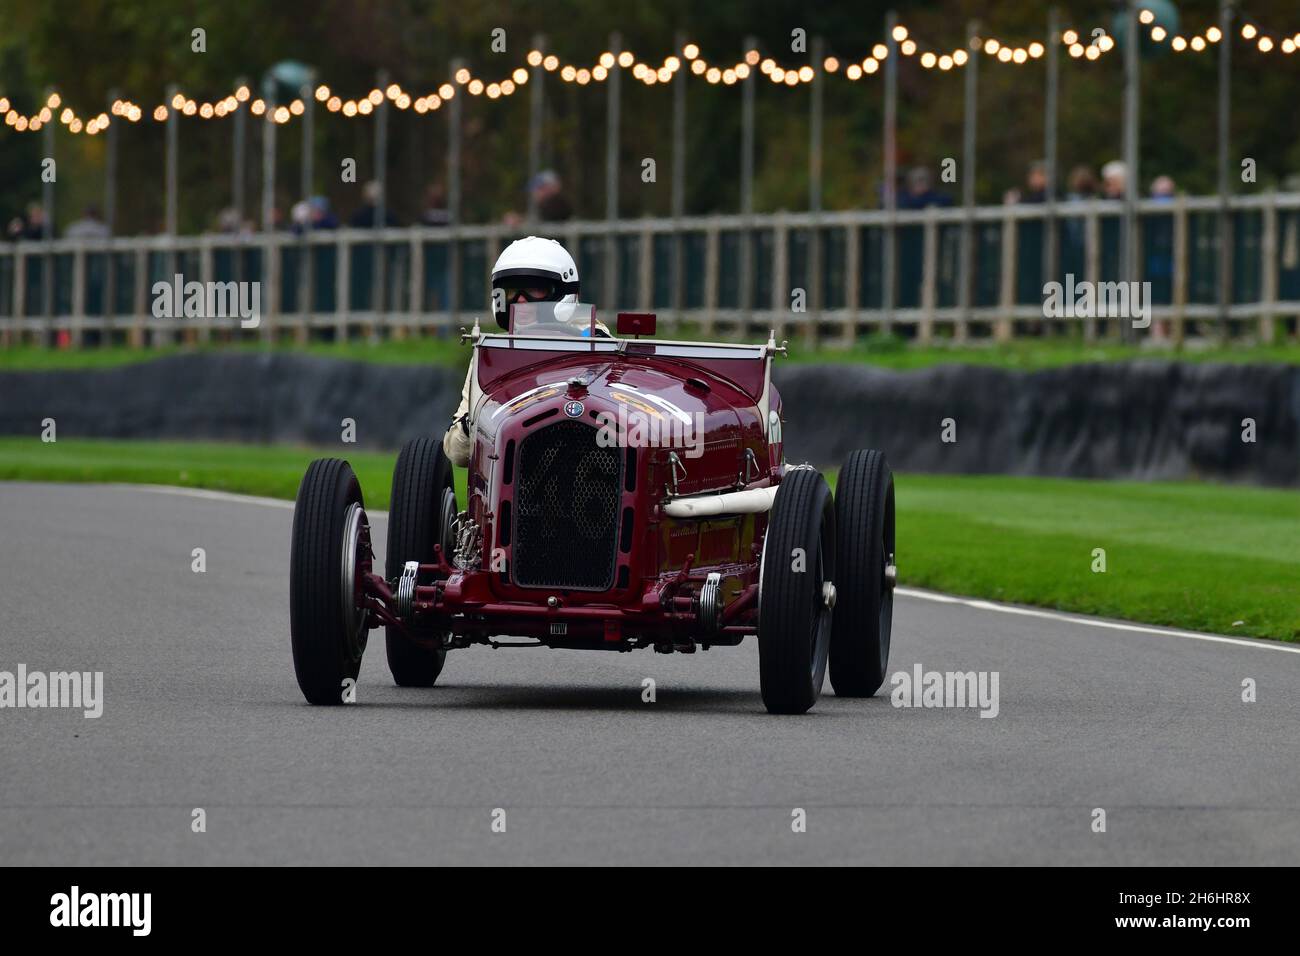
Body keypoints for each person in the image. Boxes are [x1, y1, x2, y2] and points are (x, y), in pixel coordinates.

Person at [442, 236, 604, 467]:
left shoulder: (594, 339)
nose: (519, 300)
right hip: (514, 467)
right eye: (510, 291)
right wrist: (478, 420)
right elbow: (457, 452)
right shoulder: (491, 354)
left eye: (534, 289)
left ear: (561, 291)